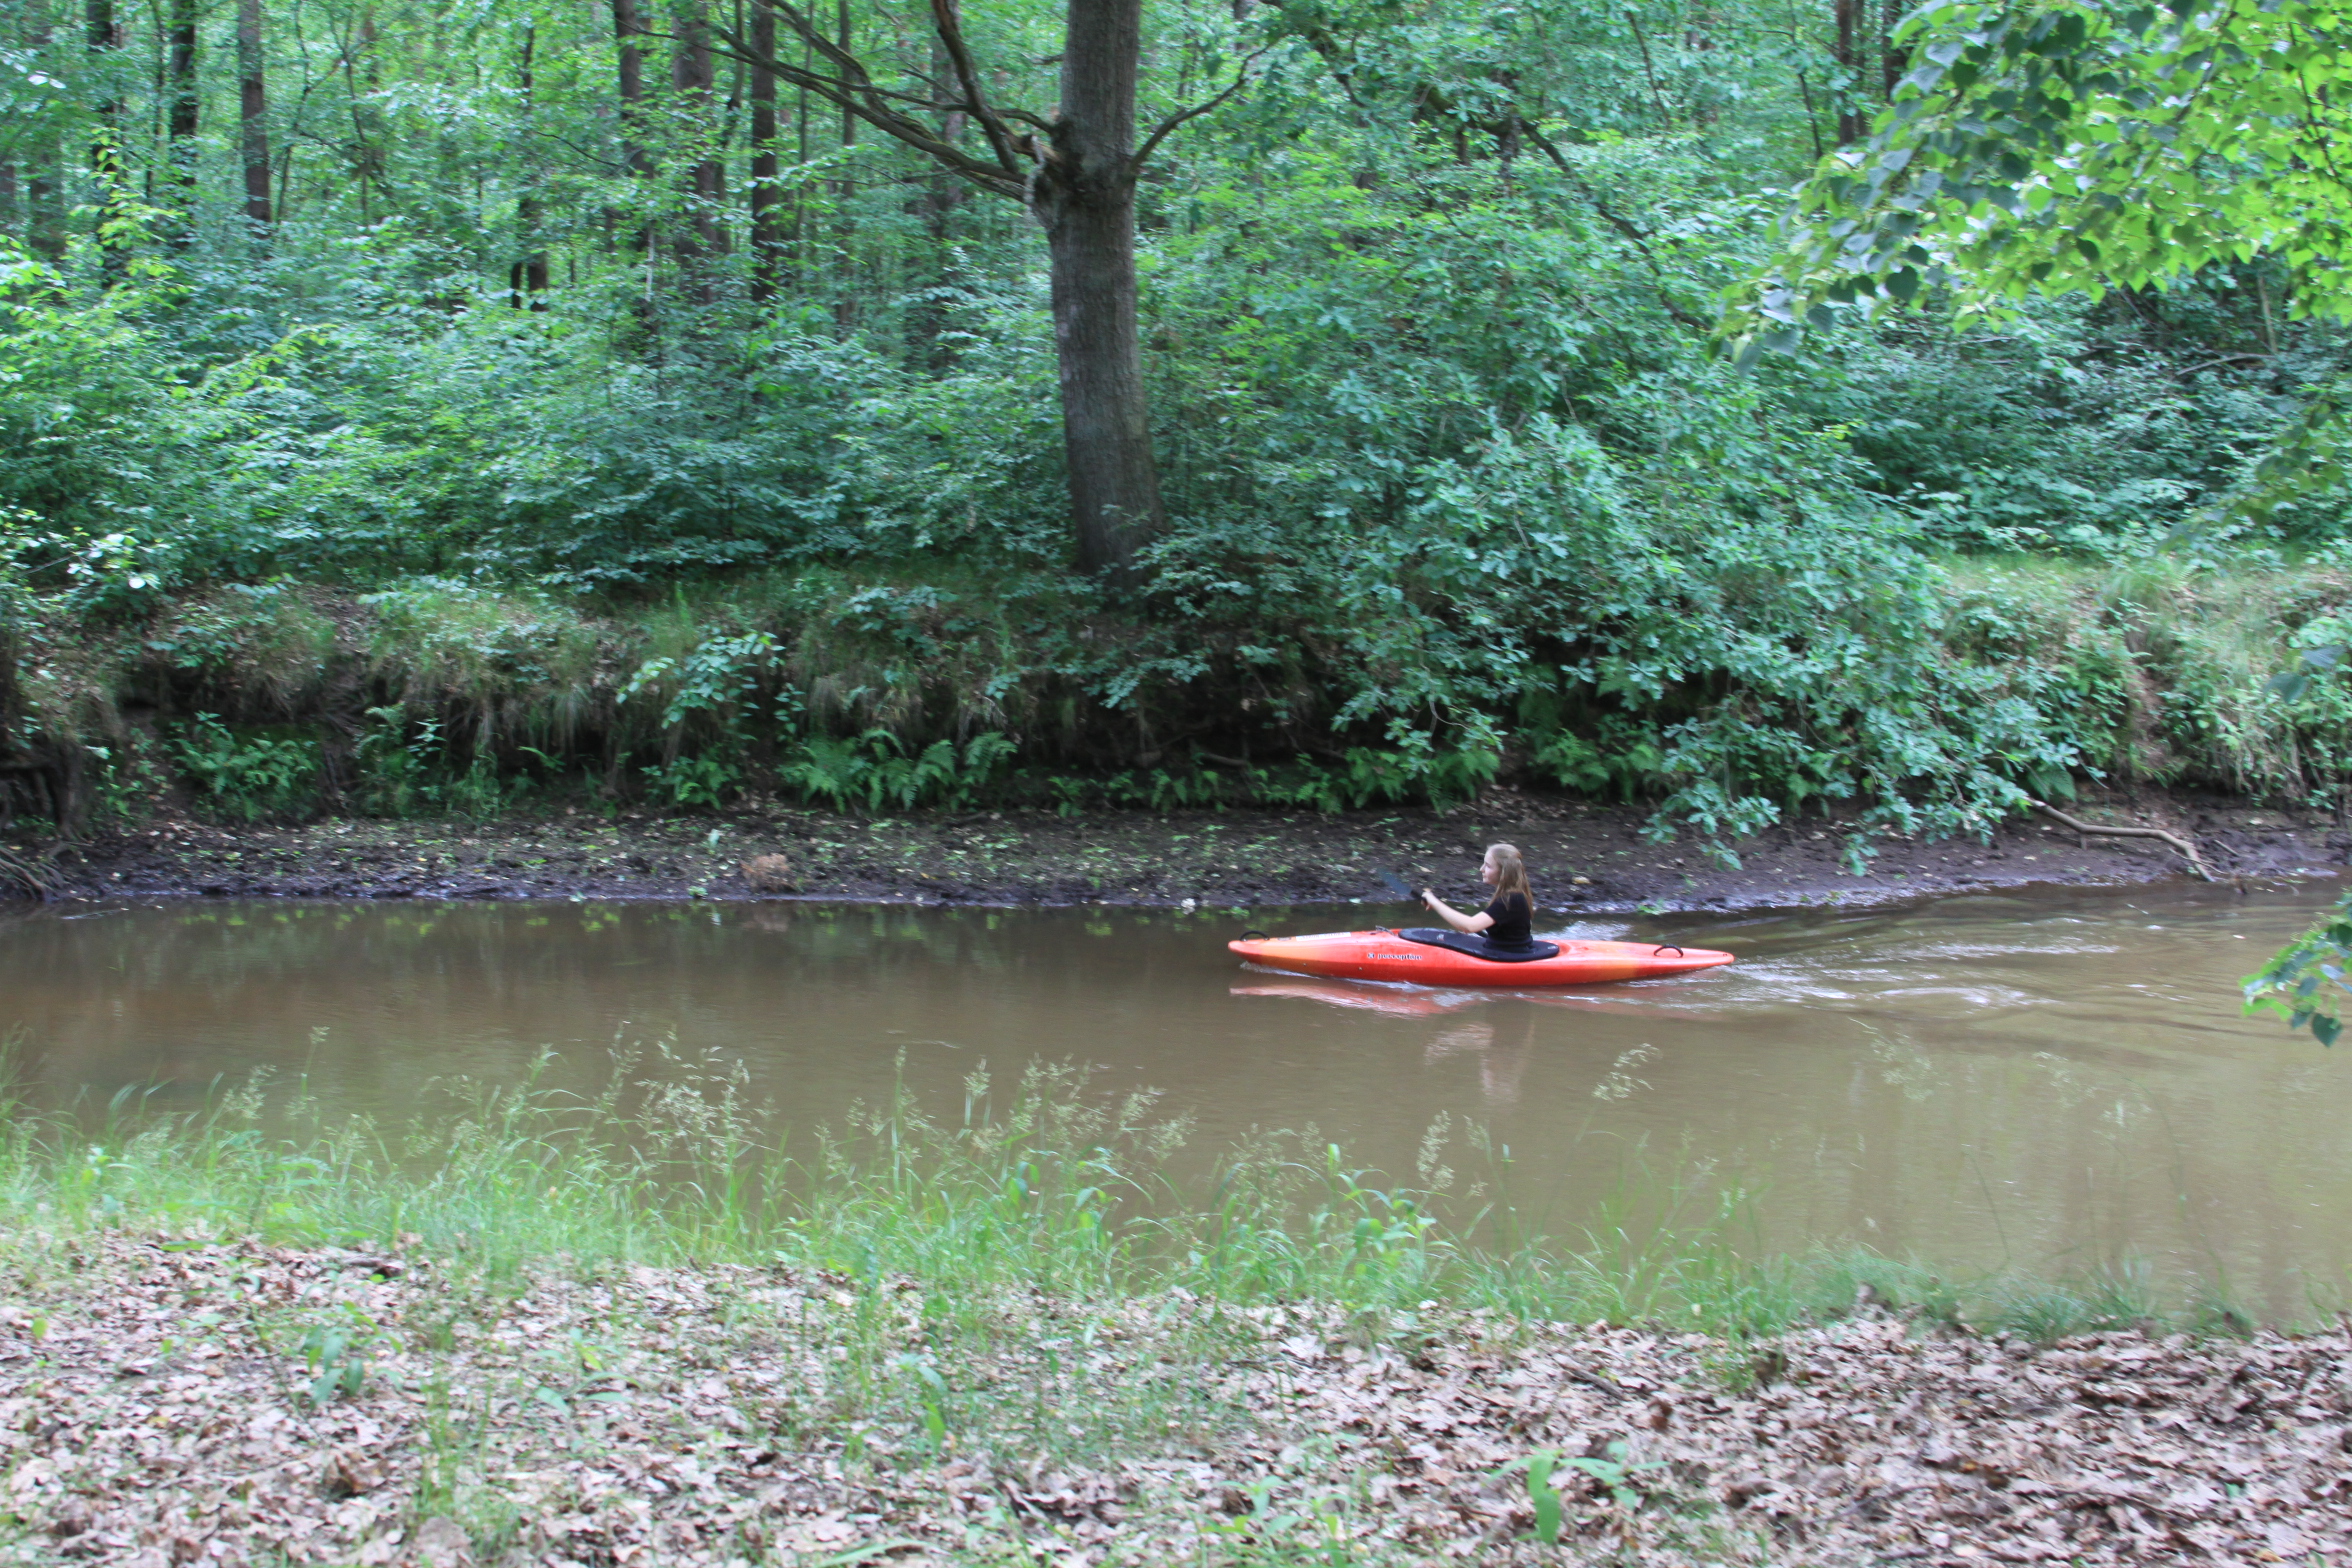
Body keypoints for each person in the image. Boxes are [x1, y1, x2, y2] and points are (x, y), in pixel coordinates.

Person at [1421, 843, 1537, 952]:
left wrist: (1434, 901)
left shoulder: (1510, 899)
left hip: (1508, 954)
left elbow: (1470, 926)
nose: (1481, 869)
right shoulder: (1515, 894)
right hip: (1509, 950)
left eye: (1488, 866)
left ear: (1504, 872)